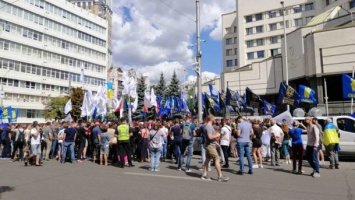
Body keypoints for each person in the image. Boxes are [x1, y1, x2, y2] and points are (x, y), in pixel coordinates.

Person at [201, 115, 229, 182]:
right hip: (210, 146)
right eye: (214, 118)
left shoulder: (208, 126)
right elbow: (210, 137)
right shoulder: (209, 127)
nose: (215, 119)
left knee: (207, 159)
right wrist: (217, 135)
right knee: (217, 159)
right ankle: (220, 176)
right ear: (211, 119)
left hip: (209, 145)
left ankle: (204, 174)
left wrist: (216, 140)